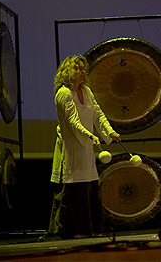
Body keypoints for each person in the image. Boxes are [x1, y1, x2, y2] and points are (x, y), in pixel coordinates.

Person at [49, 55, 121, 239]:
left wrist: (110, 132)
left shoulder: (87, 91)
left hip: (87, 145)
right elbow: (72, 121)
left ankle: (91, 228)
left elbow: (98, 114)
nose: (82, 73)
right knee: (74, 189)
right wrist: (89, 134)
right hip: (72, 146)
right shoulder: (63, 93)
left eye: (83, 69)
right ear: (68, 71)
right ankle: (71, 230)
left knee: (88, 186)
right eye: (78, 69)